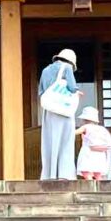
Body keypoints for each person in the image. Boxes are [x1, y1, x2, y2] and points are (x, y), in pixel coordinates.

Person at [37, 46, 81, 180]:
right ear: (71, 62)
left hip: (49, 111)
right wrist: (77, 92)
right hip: (63, 110)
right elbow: (72, 88)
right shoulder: (66, 68)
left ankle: (49, 174)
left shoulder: (45, 70)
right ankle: (64, 174)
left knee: (49, 141)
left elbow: (41, 92)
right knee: (65, 141)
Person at [74, 104, 111, 182]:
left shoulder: (86, 127)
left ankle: (91, 185)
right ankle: (100, 189)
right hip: (100, 152)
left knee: (85, 171)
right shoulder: (102, 129)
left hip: (88, 151)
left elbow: (74, 133)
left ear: (85, 119)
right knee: (98, 174)